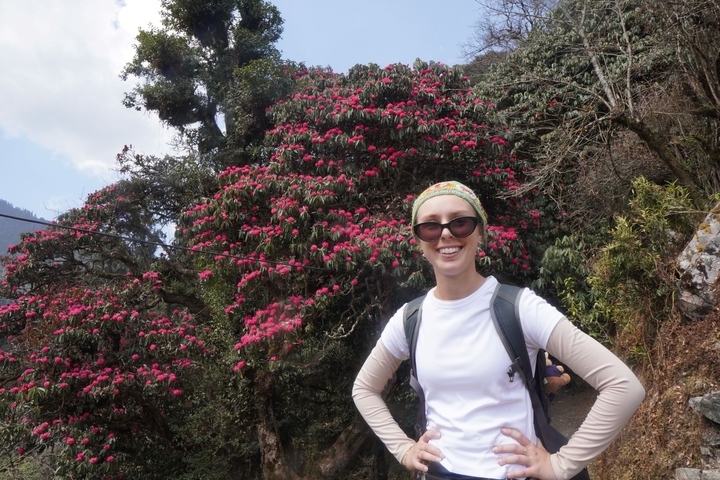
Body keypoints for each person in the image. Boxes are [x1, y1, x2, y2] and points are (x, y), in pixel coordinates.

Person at [352, 181, 645, 480]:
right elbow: (364, 389)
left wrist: (561, 465)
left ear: (480, 231)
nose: (445, 233)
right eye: (430, 226)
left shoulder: (521, 308)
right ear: (418, 240)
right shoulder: (410, 319)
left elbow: (623, 386)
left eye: (460, 222)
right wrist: (403, 449)